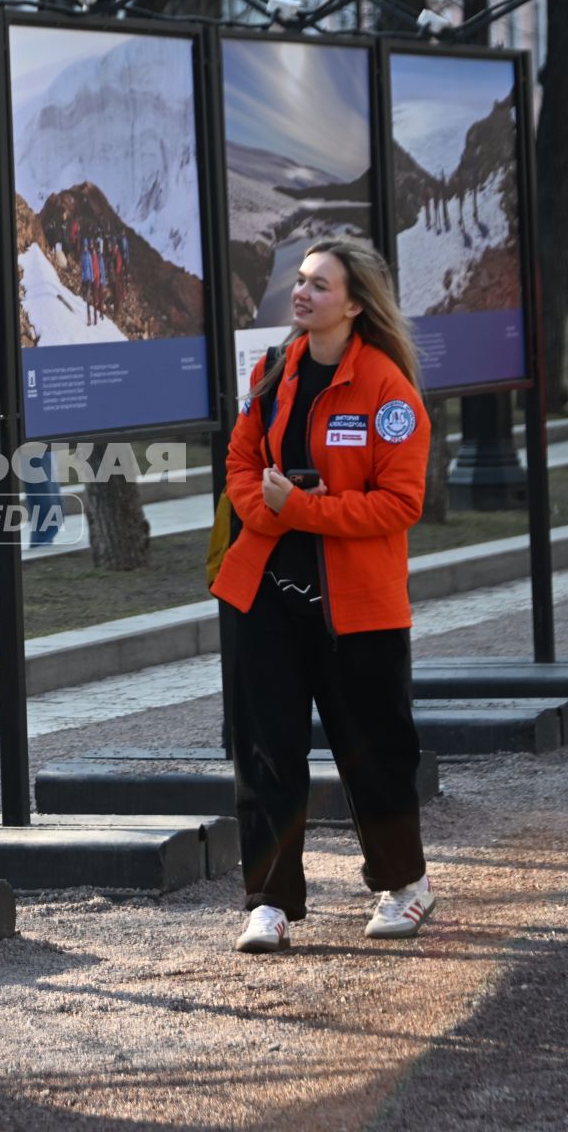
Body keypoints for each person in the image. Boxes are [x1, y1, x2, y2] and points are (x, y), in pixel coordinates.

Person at [211, 238, 434, 955]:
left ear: (356, 303)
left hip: (356, 605)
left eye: (319, 285)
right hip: (262, 594)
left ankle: (404, 885)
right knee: (266, 752)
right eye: (300, 281)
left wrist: (305, 508)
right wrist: (271, 508)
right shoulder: (273, 369)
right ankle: (269, 902)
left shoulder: (389, 392)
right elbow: (242, 461)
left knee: (374, 750)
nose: (301, 294)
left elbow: (399, 503)